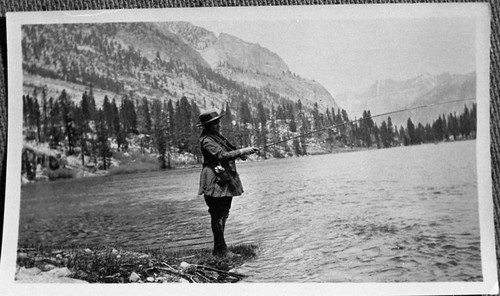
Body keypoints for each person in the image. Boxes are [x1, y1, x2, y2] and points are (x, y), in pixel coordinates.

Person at [197, 111, 259, 257]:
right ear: (207, 126)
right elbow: (221, 156)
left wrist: (241, 153)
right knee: (217, 215)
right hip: (213, 180)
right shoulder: (206, 140)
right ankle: (221, 250)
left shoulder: (217, 137)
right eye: (215, 123)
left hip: (223, 179)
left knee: (224, 213)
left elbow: (229, 151)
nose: (218, 125)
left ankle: (219, 249)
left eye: (218, 122)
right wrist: (242, 151)